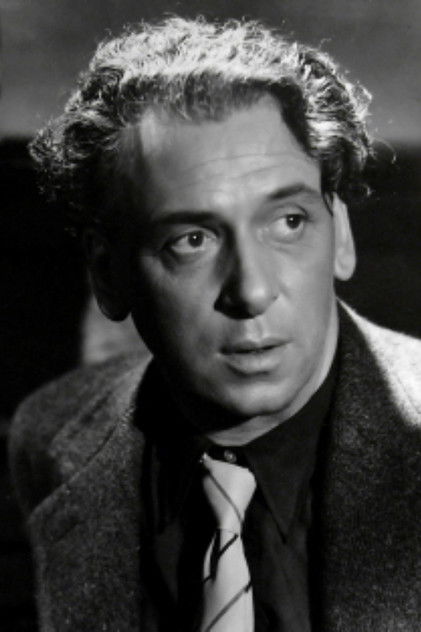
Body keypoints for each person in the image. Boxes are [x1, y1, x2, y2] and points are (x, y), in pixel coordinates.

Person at [9, 16, 421, 632]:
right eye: (192, 240)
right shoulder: (47, 435)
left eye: (288, 222)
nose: (251, 291)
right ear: (107, 274)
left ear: (340, 234)